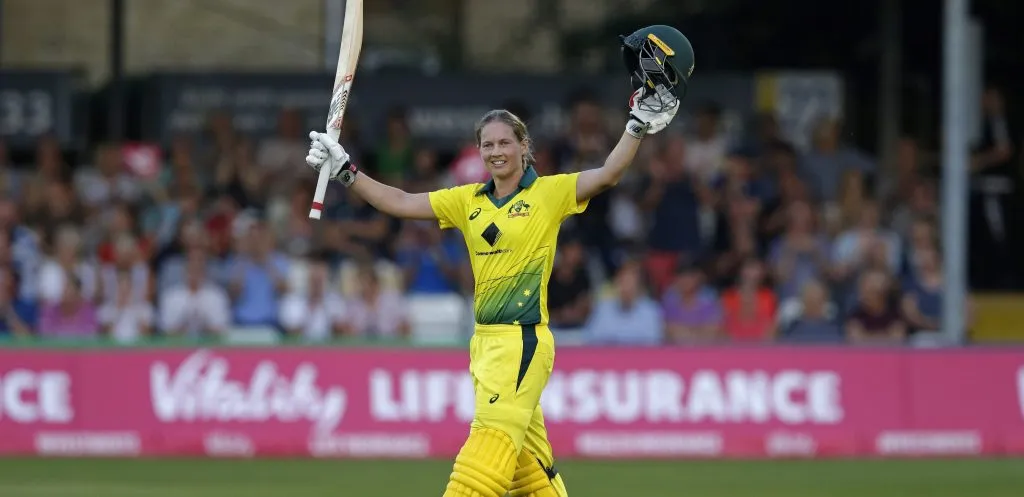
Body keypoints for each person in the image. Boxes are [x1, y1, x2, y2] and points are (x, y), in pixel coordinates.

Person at [305, 25, 690, 497]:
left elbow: (609, 174)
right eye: (487, 145)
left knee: (481, 463)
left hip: (523, 340)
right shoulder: (468, 201)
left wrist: (635, 127)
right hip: (484, 343)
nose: (496, 152)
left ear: (524, 147)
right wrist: (346, 170)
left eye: (505, 143)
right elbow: (401, 202)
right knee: (532, 475)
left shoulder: (549, 193)